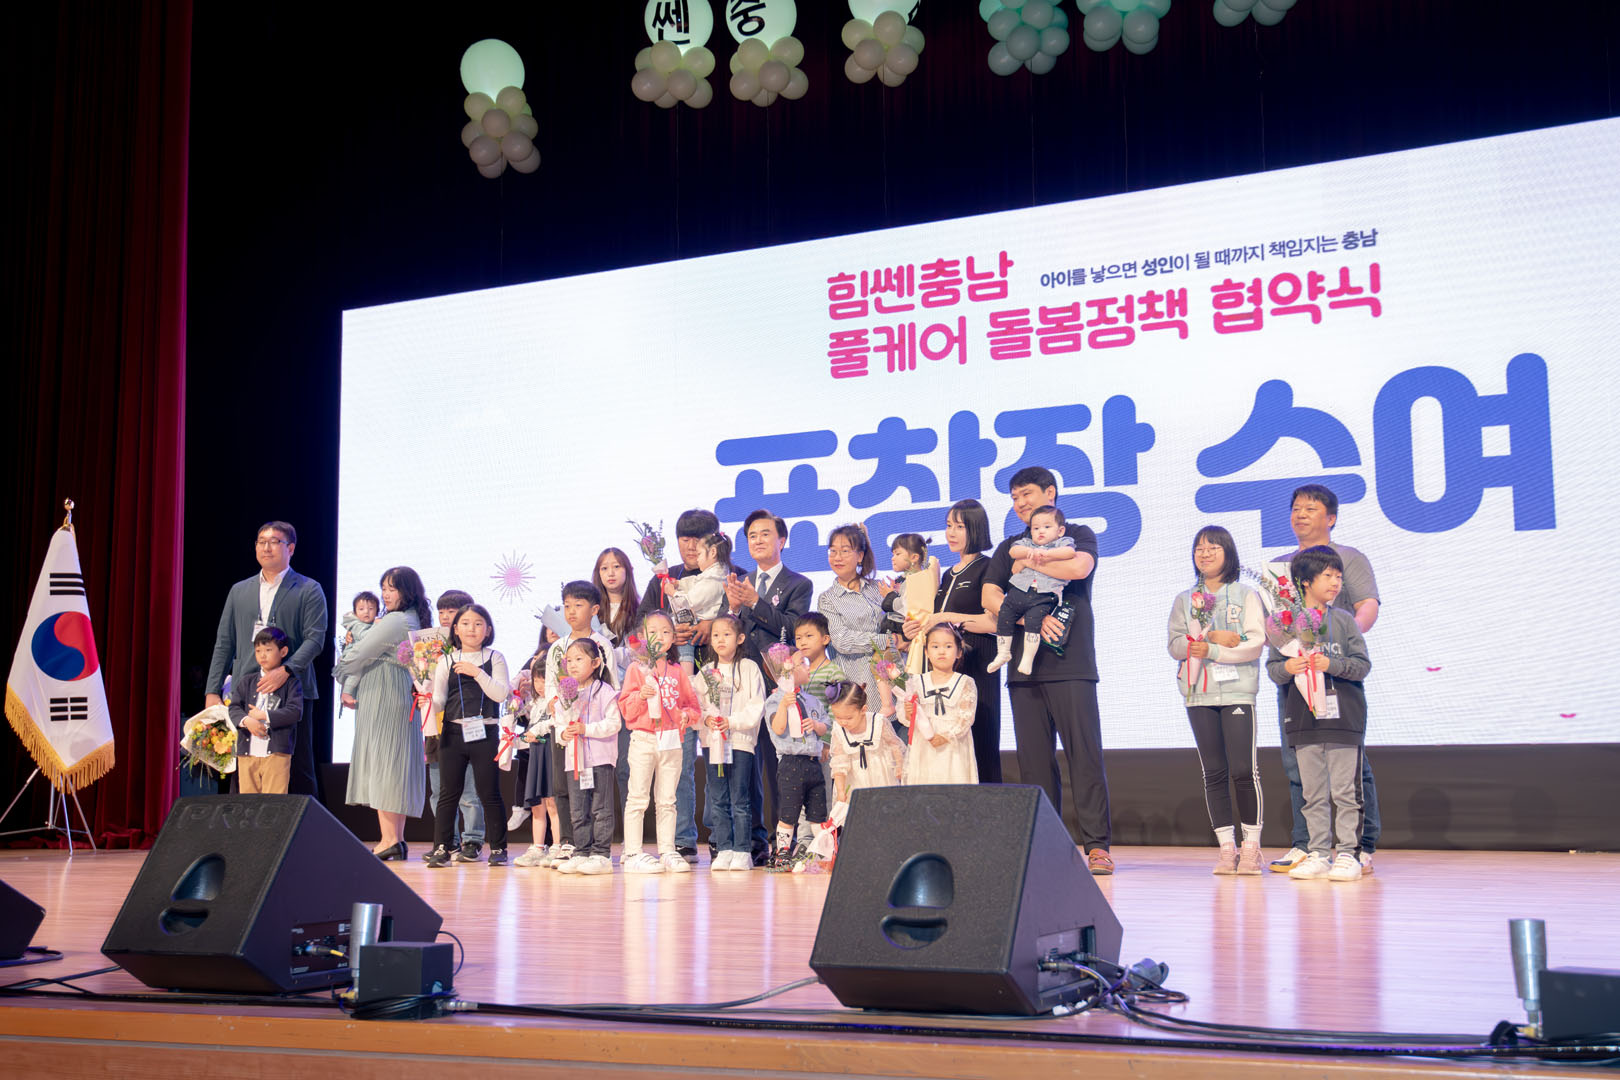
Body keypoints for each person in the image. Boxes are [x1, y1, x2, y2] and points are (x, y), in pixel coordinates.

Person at [982, 467, 1114, 874]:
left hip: (1071, 663)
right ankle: (1048, 847)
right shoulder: (1010, 545)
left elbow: (1078, 569)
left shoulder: (1077, 534)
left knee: (1084, 756)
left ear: (1050, 493)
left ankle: (1097, 846)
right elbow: (990, 594)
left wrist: (1029, 564)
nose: (1020, 503)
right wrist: (1025, 619)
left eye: (1026, 494)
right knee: (1034, 762)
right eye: (1014, 498)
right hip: (1024, 670)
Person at [1266, 484, 1383, 876]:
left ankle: (1359, 847)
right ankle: (1309, 846)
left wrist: (1338, 641)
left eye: (1311, 508)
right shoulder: (1279, 567)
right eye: (1296, 508)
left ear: (1331, 517)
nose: (1300, 514)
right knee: (1299, 764)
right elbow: (1277, 626)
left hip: (1337, 677)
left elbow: (1367, 605)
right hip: (1297, 679)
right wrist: (1289, 651)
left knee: (1351, 771)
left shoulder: (1349, 558)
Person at [1166, 526, 1267, 875]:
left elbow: (1255, 643)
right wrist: (1205, 640)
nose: (1205, 553)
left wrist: (1215, 649)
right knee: (1213, 772)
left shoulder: (1246, 595)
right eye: (1199, 548)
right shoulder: (1185, 599)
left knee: (1243, 770)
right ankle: (1227, 848)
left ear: (1228, 552)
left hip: (1238, 690)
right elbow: (1175, 645)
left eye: (1213, 547)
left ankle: (1251, 847)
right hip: (1198, 692)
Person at [205, 520, 329, 798]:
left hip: (291, 687)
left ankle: (303, 824)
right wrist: (212, 690)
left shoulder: (308, 589)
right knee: (245, 767)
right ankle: (246, 824)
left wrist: (286, 670)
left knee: (297, 766)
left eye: (274, 542)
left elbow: (315, 639)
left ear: (291, 548)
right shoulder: (240, 590)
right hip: (247, 688)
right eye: (261, 542)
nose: (266, 547)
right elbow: (224, 642)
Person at [725, 509, 813, 864]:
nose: (758, 540)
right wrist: (733, 611)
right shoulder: (741, 581)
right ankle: (753, 841)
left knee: (780, 768)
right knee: (745, 767)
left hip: (778, 687)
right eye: (752, 536)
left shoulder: (798, 584)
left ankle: (784, 842)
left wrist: (754, 604)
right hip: (742, 687)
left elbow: (793, 630)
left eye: (765, 534)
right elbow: (730, 634)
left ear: (782, 540)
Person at [635, 509, 719, 865]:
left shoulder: (728, 576)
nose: (691, 545)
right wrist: (668, 633)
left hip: (718, 683)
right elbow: (640, 628)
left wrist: (712, 625)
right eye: (685, 538)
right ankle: (683, 840)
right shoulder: (663, 580)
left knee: (720, 763)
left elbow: (740, 623)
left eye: (700, 538)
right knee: (679, 765)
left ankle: (722, 838)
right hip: (673, 689)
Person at [905, 499, 1002, 783]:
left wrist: (948, 617)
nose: (951, 533)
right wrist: (914, 630)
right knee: (944, 747)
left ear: (976, 528)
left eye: (959, 527)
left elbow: (995, 623)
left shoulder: (989, 567)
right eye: (948, 526)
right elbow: (935, 621)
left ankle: (988, 804)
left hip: (978, 661)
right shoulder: (947, 574)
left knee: (981, 738)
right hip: (943, 668)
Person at [336, 565, 428, 859]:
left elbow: (360, 653)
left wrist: (342, 667)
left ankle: (388, 840)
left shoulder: (396, 620)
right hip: (395, 691)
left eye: (392, 588)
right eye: (384, 589)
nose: (386, 595)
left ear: (407, 591)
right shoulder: (410, 618)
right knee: (393, 766)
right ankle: (395, 840)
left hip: (384, 693)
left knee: (384, 765)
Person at [424, 603, 510, 868]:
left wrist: (477, 672)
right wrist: (428, 703)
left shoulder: (495, 658)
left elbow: (500, 694)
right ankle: (442, 847)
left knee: (488, 791)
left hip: (485, 731)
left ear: (488, 630)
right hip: (453, 732)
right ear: (456, 630)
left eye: (478, 623)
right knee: (448, 793)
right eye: (465, 623)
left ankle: (498, 848)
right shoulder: (446, 660)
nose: (471, 628)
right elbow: (440, 699)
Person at [617, 611, 702, 873]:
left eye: (666, 632)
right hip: (643, 738)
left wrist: (686, 716)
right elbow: (626, 709)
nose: (660, 637)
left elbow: (693, 707)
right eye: (653, 632)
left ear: (674, 638)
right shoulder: (635, 669)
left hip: (671, 740)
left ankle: (667, 851)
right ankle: (633, 852)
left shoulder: (677, 672)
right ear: (642, 636)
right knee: (638, 798)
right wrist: (640, 696)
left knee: (667, 800)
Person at [696, 614, 765, 872]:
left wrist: (731, 722)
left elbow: (756, 705)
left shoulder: (749, 668)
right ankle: (724, 849)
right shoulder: (705, 672)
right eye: (715, 635)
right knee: (718, 798)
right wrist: (707, 719)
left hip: (740, 742)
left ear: (740, 638)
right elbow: (697, 706)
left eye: (726, 634)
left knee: (740, 798)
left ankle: (743, 851)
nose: (720, 640)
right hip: (713, 743)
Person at [552, 639, 621, 876]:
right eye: (569, 660)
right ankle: (581, 852)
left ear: (595, 662)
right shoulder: (565, 693)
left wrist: (586, 729)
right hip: (575, 761)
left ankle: (601, 854)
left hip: (600, 759)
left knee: (601, 808)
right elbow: (559, 725)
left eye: (579, 659)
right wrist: (564, 733)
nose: (572, 665)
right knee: (578, 810)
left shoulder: (605, 691)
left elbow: (614, 724)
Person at [425, 589, 483, 863]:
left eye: (452, 612)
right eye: (442, 611)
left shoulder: (475, 652)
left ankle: (473, 839)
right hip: (436, 728)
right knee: (439, 791)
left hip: (466, 727)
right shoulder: (428, 649)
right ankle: (447, 842)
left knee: (469, 792)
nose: (446, 617)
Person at [987, 505, 1077, 676]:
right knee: (1004, 615)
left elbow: (1069, 552)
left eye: (1047, 527)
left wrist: (1048, 554)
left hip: (1043, 595)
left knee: (1033, 622)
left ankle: (1027, 659)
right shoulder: (1028, 543)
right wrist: (1029, 551)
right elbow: (1013, 551)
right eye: (1036, 528)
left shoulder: (1061, 543)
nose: (1040, 531)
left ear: (1060, 531)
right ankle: (1003, 653)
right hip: (1019, 591)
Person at [764, 652, 832, 870]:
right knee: (789, 812)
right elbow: (778, 728)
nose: (807, 667)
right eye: (802, 663)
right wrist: (784, 705)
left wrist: (817, 726)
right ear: (787, 670)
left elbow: (826, 724)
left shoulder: (812, 700)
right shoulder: (775, 700)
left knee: (818, 812)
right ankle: (782, 853)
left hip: (813, 763)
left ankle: (824, 854)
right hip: (791, 763)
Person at [901, 624, 979, 785]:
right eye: (935, 646)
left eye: (948, 646)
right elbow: (908, 718)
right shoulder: (916, 681)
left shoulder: (965, 682)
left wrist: (946, 736)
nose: (941, 651)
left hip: (953, 746)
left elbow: (966, 718)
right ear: (926, 652)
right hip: (924, 744)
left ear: (959, 652)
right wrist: (909, 712)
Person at [229, 627, 304, 794]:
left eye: (268, 650)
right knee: (248, 804)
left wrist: (264, 715)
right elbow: (234, 707)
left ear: (283, 651)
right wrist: (247, 721)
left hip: (277, 753)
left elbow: (295, 711)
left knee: (274, 803)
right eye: (258, 651)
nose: (262, 655)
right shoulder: (247, 681)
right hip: (247, 753)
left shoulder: (291, 683)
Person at [818, 523, 888, 691]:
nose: (837, 557)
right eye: (833, 551)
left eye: (845, 551)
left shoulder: (878, 588)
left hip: (893, 679)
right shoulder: (827, 599)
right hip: (857, 685)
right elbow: (842, 640)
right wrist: (887, 641)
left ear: (860, 556)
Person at [513, 662, 566, 867]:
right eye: (536, 680)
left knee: (552, 803)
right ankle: (537, 847)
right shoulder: (534, 703)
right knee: (537, 804)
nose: (540, 685)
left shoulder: (557, 701)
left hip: (551, 755)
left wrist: (537, 733)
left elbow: (552, 726)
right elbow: (524, 723)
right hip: (536, 757)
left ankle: (557, 846)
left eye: (544, 681)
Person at [829, 678, 905, 806]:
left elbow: (894, 744)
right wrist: (841, 790)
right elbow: (839, 763)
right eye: (838, 717)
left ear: (863, 710)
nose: (843, 722)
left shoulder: (878, 722)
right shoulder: (838, 730)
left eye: (848, 718)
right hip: (854, 782)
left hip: (881, 777)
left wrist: (899, 764)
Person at [671, 532, 731, 678]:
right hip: (702, 620)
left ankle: (687, 676)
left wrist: (672, 592)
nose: (697, 559)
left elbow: (690, 602)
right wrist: (679, 584)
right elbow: (695, 581)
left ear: (713, 552)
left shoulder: (714, 579)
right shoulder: (713, 574)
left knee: (683, 638)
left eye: (699, 554)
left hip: (702, 622)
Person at [879, 533, 931, 639]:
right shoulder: (903, 579)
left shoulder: (919, 580)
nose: (893, 558)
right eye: (893, 554)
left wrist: (890, 595)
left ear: (914, 557)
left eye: (897, 554)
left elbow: (906, 608)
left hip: (908, 635)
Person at [336, 592, 379, 705]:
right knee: (355, 673)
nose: (366, 612)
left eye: (371, 608)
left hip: (360, 656)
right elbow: (365, 636)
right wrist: (378, 626)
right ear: (355, 612)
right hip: (352, 657)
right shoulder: (356, 625)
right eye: (361, 609)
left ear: (377, 611)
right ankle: (346, 694)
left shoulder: (370, 624)